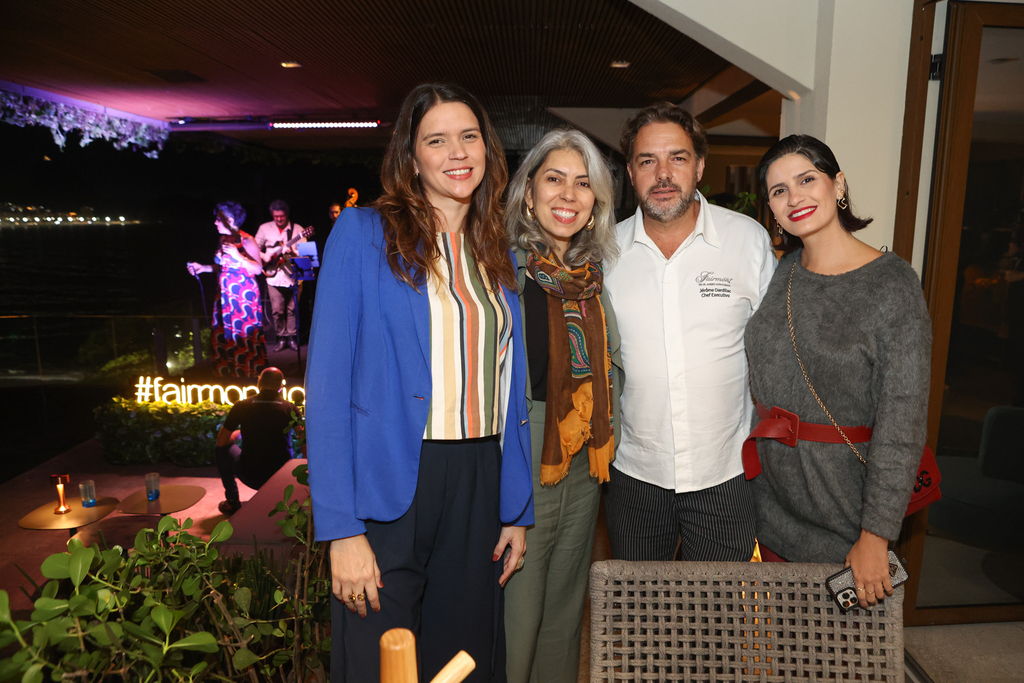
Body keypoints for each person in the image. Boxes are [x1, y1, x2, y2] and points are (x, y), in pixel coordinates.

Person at [304, 83, 533, 683]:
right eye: (437, 139)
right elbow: (326, 389)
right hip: (389, 485)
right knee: (382, 662)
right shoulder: (362, 234)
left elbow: (510, 385)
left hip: (479, 480)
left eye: (469, 136)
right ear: (411, 156)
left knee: (465, 663)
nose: (458, 152)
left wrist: (516, 508)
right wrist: (341, 529)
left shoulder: (497, 247)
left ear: (488, 148)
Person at [744, 134, 931, 608]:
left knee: (846, 663)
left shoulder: (892, 284)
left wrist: (876, 534)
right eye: (779, 190)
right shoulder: (784, 271)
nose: (795, 197)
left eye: (807, 179)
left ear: (838, 184)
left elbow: (903, 421)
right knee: (786, 654)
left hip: (847, 516)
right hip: (773, 507)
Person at [603, 102, 776, 562]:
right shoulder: (603, 252)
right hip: (635, 472)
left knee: (720, 622)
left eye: (677, 158)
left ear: (699, 166)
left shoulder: (749, 241)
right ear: (630, 172)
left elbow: (779, 354)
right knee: (639, 619)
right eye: (647, 161)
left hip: (726, 473)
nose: (662, 174)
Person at [502, 129, 621, 683]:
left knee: (565, 610)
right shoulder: (501, 272)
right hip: (526, 457)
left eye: (583, 183)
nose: (568, 194)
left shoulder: (591, 279)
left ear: (596, 201)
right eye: (554, 179)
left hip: (583, 461)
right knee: (517, 615)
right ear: (529, 193)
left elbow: (610, 364)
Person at [187, 202, 268, 378]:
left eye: (218, 219)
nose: (215, 223)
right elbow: (222, 267)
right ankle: (227, 375)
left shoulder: (247, 240)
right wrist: (204, 268)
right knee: (224, 335)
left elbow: (257, 269)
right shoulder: (223, 239)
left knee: (242, 335)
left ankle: (247, 375)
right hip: (224, 296)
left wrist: (239, 256)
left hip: (242, 296)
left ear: (230, 220)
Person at [214, 367, 302, 515]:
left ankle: (232, 502)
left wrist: (239, 434)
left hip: (251, 475)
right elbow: (304, 441)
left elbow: (222, 441)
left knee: (220, 448)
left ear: (259, 382)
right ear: (281, 386)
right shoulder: (290, 408)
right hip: (281, 477)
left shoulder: (242, 406)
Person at [255, 200, 308, 351]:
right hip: (273, 276)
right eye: (276, 216)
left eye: (282, 216)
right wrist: (264, 256)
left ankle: (292, 337)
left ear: (287, 215)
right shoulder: (264, 228)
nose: (279, 219)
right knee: (277, 310)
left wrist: (293, 252)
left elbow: (305, 254)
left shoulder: (298, 229)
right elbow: (254, 248)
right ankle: (281, 337)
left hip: (293, 276)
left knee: (292, 309)